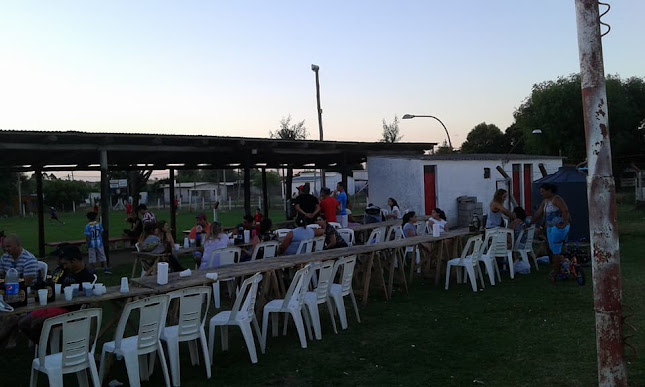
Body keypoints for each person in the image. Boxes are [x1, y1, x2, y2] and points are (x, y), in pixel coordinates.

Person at [18, 245, 95, 344]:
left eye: (66, 263)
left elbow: (88, 299)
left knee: (37, 323)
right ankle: (44, 346)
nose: (64, 266)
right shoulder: (66, 272)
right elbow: (55, 286)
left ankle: (46, 349)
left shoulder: (87, 277)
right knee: (23, 323)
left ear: (74, 260)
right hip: (56, 305)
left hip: (70, 311)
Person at [531, 183, 570, 281]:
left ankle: (555, 272)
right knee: (553, 249)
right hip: (549, 227)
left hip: (557, 227)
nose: (541, 194)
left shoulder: (556, 199)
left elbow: (565, 210)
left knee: (556, 249)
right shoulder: (545, 202)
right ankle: (562, 267)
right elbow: (540, 214)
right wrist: (533, 223)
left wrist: (564, 223)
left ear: (549, 191)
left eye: (543, 191)